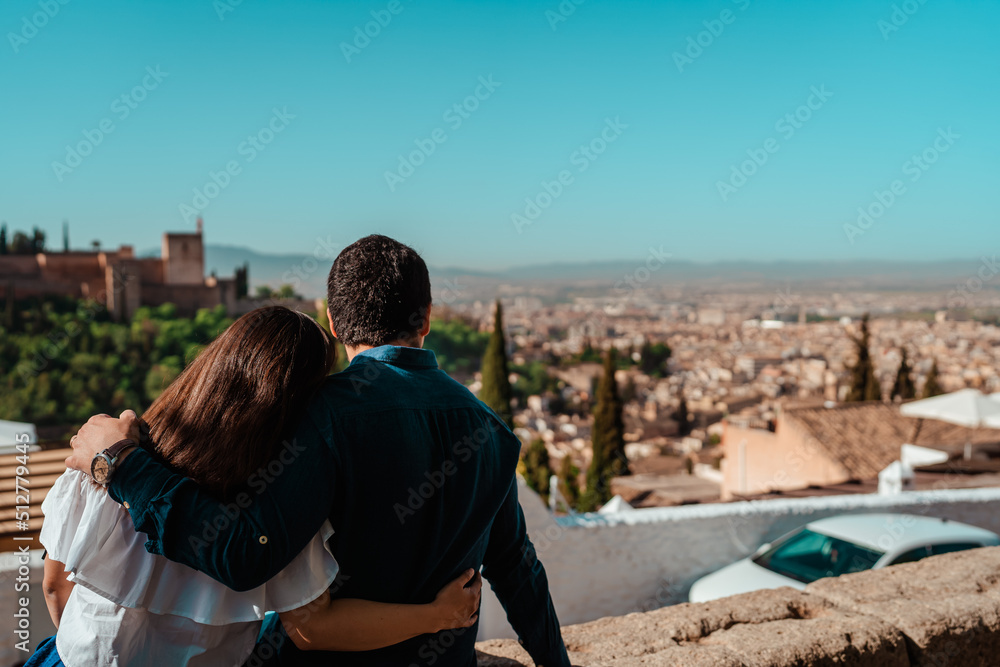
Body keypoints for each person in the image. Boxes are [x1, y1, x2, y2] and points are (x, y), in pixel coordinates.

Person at [68, 235, 571, 666]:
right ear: (427, 319)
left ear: (333, 321)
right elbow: (517, 569)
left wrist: (123, 465)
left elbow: (245, 554)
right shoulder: (491, 430)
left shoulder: (320, 417)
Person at [31, 306, 481, 667]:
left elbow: (55, 584)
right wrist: (436, 616)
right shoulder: (272, 508)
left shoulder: (104, 453)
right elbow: (314, 629)